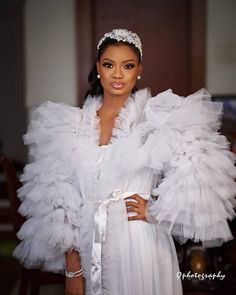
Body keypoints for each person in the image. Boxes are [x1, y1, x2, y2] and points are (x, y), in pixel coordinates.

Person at [13, 28, 236, 295]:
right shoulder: (71, 125)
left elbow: (200, 167)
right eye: (109, 65)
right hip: (88, 244)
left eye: (127, 66)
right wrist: (73, 270)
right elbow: (59, 201)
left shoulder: (155, 118)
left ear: (139, 69)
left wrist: (158, 208)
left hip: (141, 244)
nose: (118, 74)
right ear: (98, 67)